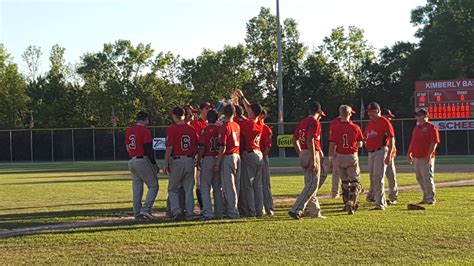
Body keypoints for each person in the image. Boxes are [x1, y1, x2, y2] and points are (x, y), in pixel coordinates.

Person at [288, 102, 326, 219]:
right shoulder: (314, 122)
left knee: (315, 180)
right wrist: (313, 158)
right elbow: (310, 140)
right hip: (310, 152)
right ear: (318, 112)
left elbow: (294, 140)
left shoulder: (303, 121)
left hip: (304, 152)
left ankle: (315, 212)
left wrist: (301, 153)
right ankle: (296, 209)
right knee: (311, 185)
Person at [163, 107, 199, 221]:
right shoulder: (191, 128)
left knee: (173, 189)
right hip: (189, 160)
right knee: (189, 189)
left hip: (177, 160)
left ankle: (176, 211)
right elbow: (196, 146)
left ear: (174, 115)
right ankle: (189, 213)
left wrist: (165, 162)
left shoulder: (172, 128)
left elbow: (169, 147)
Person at [328, 105, 364, 214]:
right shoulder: (355, 127)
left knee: (344, 181)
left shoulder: (336, 127)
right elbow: (360, 143)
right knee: (354, 181)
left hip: (340, 156)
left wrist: (330, 158)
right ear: (349, 114)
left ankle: (346, 202)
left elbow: (332, 144)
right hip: (351, 155)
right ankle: (351, 203)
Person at [235, 89, 265, 217]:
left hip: (250, 154)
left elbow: (240, 116)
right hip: (258, 154)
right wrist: (242, 97)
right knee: (257, 186)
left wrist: (236, 105)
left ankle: (251, 211)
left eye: (250, 109)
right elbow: (248, 108)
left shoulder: (249, 123)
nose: (248, 109)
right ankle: (260, 210)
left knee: (248, 185)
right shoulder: (260, 122)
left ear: (252, 112)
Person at [125, 111, 159, 220]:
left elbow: (127, 147)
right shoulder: (145, 131)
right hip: (142, 159)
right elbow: (148, 149)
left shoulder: (129, 130)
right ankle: (145, 210)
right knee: (153, 186)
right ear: (146, 119)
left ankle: (137, 212)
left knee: (137, 188)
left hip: (132, 160)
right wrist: (154, 164)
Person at [364, 102, 395, 211]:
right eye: (369, 112)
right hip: (371, 152)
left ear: (377, 110)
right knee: (373, 179)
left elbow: (391, 138)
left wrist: (389, 155)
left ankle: (380, 204)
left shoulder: (384, 121)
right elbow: (366, 136)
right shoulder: (370, 123)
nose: (370, 114)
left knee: (378, 177)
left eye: (372, 111)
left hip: (381, 151)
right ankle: (378, 201)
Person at [407, 109, 440, 205]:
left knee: (427, 177)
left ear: (425, 116)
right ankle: (426, 196)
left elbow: (434, 142)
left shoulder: (431, 127)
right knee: (419, 177)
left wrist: (429, 154)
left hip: (426, 156)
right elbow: (413, 142)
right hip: (417, 156)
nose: (417, 117)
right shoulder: (417, 128)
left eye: (419, 115)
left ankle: (430, 198)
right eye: (416, 115)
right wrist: (409, 153)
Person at [215, 104, 241, 219]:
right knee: (235, 185)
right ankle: (233, 209)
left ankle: (232, 212)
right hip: (237, 155)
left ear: (224, 114)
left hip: (228, 156)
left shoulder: (225, 126)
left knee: (229, 186)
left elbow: (222, 146)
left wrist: (217, 162)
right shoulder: (236, 125)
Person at [196, 109, 224, 220]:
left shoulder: (205, 130)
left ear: (207, 118)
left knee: (205, 187)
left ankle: (208, 212)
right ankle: (219, 212)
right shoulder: (220, 129)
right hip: (218, 158)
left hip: (208, 158)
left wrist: (198, 159)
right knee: (217, 187)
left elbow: (202, 146)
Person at [381, 108, 399, 204]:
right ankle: (374, 195)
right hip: (382, 154)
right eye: (388, 117)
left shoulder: (388, 125)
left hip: (389, 155)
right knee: (378, 177)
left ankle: (393, 196)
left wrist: (391, 154)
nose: (390, 119)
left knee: (391, 176)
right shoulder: (380, 125)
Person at [259, 109, 274, 216]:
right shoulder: (255, 126)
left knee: (265, 183)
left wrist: (263, 157)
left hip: (262, 156)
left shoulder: (266, 129)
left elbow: (268, 146)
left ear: (263, 115)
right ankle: (261, 206)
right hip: (256, 156)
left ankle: (269, 207)